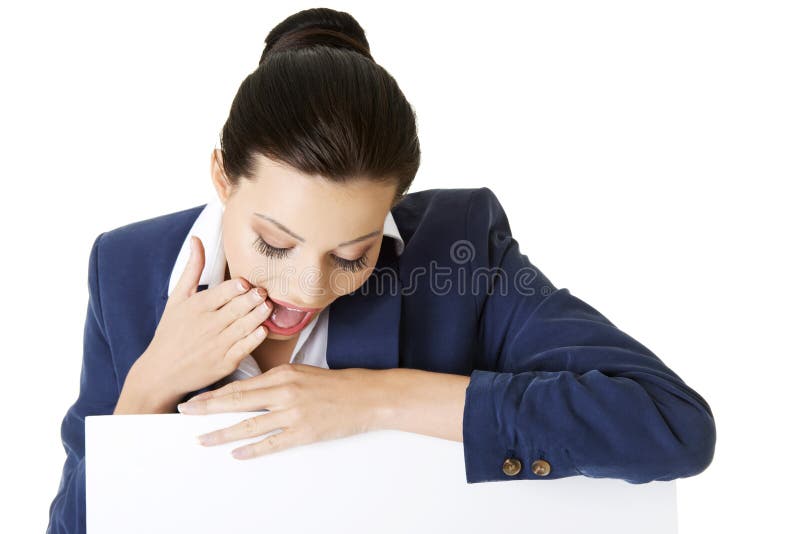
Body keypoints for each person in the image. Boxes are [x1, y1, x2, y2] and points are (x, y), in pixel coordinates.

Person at [46, 7, 716, 533]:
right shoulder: (127, 270)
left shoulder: (460, 251)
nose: (308, 287)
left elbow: (669, 425)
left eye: (351, 256)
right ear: (223, 176)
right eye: (274, 244)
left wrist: (377, 398)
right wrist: (146, 391)